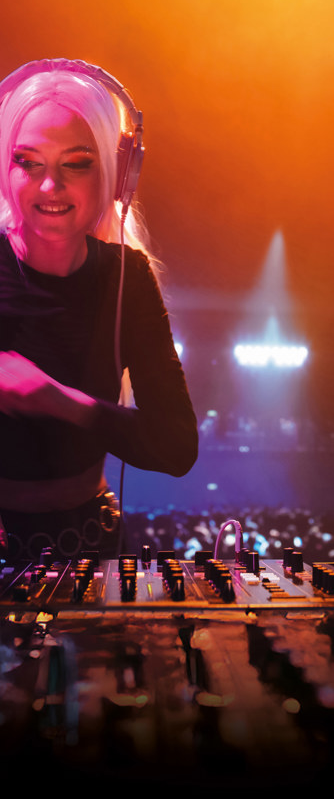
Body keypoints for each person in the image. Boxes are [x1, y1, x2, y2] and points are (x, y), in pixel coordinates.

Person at [0, 59, 197, 561]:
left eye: (76, 163)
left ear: (116, 173)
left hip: (93, 543)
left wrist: (58, 400)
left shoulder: (128, 277)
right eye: (28, 161)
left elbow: (176, 447)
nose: (50, 186)